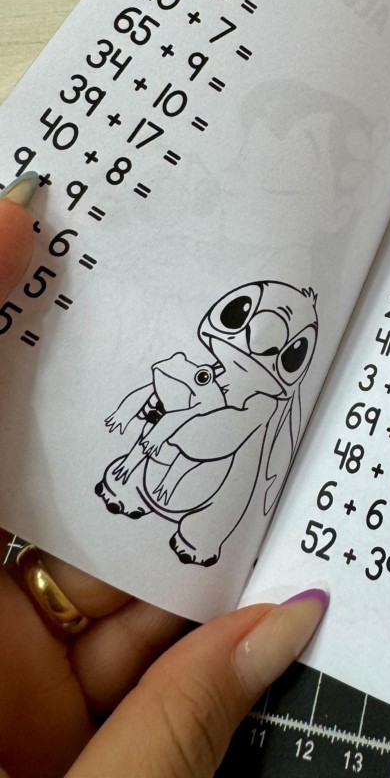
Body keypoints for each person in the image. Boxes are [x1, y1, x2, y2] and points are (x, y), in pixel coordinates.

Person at [0, 172, 328, 778]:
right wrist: (143, 411)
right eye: (242, 318)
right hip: (158, 467)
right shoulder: (202, 368)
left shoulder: (261, 408)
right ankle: (131, 494)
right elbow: (159, 393)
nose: (252, 345)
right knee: (140, 470)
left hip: (206, 486)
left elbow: (219, 440)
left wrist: (180, 424)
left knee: (210, 514)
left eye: (280, 348)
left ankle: (195, 538)